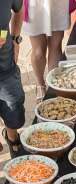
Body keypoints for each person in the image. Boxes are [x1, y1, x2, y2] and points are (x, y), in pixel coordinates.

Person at [23, 0, 71, 101]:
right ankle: (40, 84)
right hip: (34, 3)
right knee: (38, 51)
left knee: (56, 46)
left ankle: (53, 86)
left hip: (58, 3)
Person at [0, 0, 25, 156]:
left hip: (5, 65)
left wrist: (16, 40)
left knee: (14, 111)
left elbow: (19, 10)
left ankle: (12, 138)